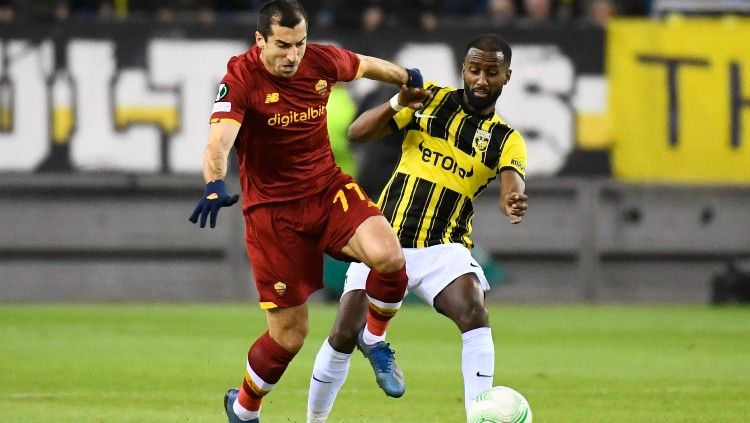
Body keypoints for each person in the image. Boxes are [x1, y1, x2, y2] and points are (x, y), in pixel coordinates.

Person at [187, 1, 428, 422]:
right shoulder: (241, 78)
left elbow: (366, 65)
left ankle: (374, 339)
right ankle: (244, 409)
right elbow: (218, 142)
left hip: (327, 191)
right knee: (289, 337)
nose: (292, 55)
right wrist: (213, 184)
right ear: (260, 40)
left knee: (390, 257)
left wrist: (408, 78)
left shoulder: (320, 60)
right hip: (273, 215)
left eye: (299, 43)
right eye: (282, 45)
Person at [307, 33, 528, 422]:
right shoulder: (430, 101)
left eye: (490, 72)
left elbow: (513, 180)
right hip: (384, 237)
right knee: (343, 333)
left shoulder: (506, 139)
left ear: (506, 76)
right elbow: (356, 134)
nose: (480, 79)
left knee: (474, 311)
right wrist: (395, 103)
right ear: (463, 69)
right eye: (474, 70)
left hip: (444, 248)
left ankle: (481, 415)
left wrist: (513, 197)